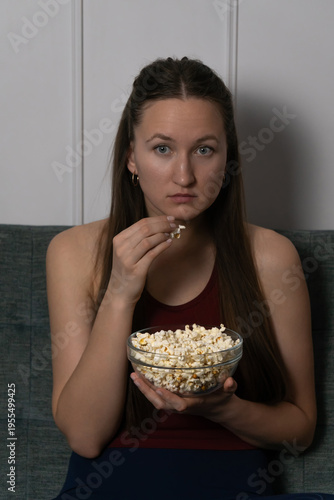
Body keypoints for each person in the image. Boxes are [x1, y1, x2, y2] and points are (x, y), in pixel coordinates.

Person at [47, 57, 331, 500]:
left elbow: (300, 429)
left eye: (204, 149)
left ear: (228, 157)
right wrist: (120, 292)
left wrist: (226, 410)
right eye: (162, 148)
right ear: (131, 157)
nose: (184, 176)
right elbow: (84, 436)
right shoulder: (75, 253)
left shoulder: (272, 258)